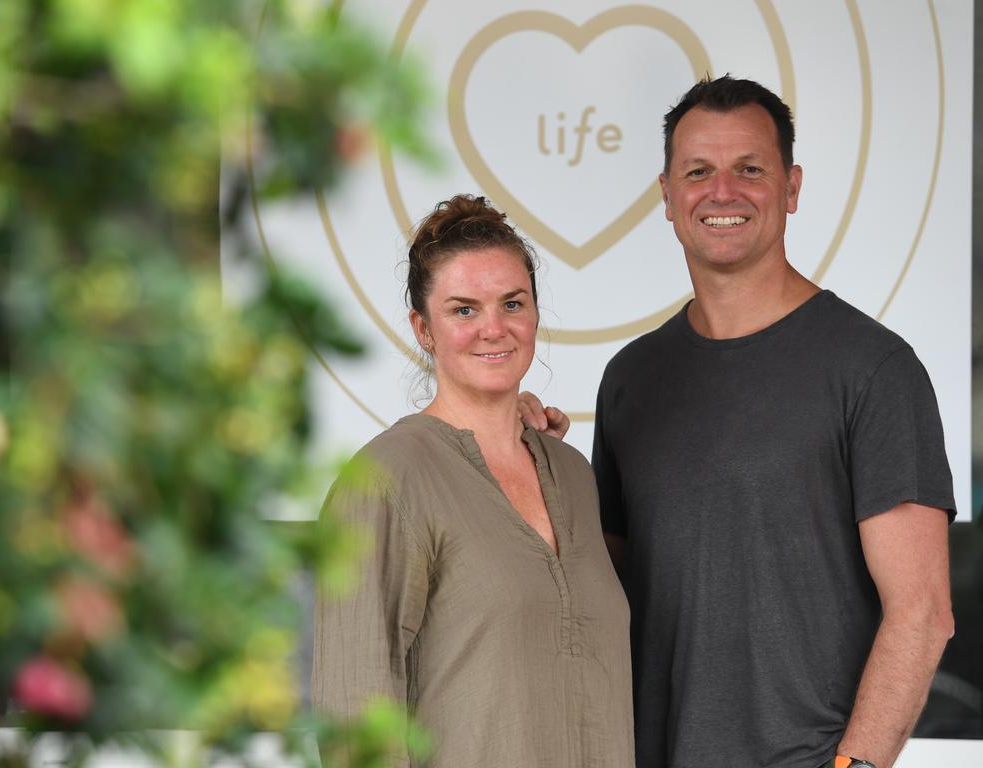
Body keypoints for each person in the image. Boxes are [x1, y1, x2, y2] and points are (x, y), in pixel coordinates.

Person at [521, 75, 955, 768]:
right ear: (667, 195)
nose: (722, 192)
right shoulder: (634, 378)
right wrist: (530, 467)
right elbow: (599, 595)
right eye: (699, 172)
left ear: (792, 187)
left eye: (749, 169)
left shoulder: (874, 369)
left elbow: (923, 612)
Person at [312, 194, 633, 767]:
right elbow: (353, 722)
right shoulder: (386, 482)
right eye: (463, 309)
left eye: (513, 303)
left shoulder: (573, 476)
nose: (494, 329)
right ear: (423, 328)